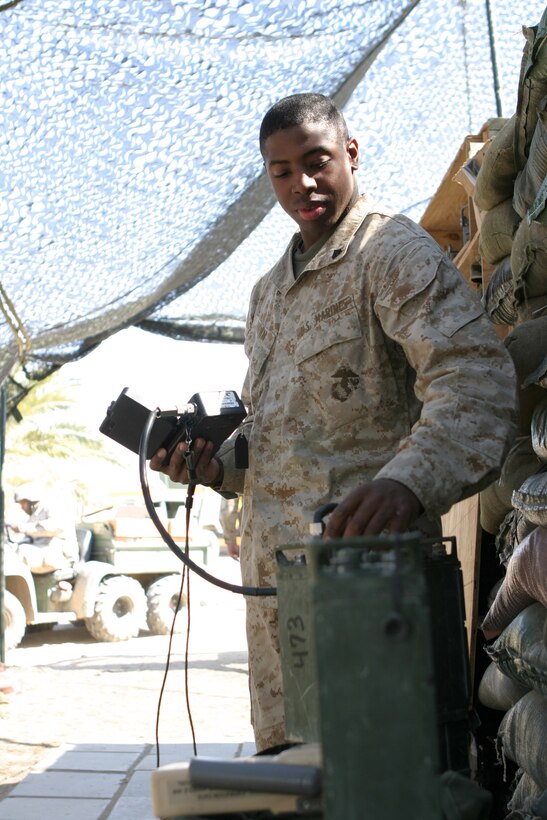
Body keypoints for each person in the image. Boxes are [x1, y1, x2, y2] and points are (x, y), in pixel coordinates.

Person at [151, 93, 518, 751]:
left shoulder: (389, 252)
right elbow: (272, 435)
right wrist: (214, 466)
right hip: (277, 611)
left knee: (384, 784)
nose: (303, 183)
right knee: (300, 780)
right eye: (282, 171)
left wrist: (405, 482)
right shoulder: (269, 293)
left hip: (369, 595)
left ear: (350, 153)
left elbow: (475, 381)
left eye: (316, 161)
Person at [8, 483, 79, 573]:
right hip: (45, 552)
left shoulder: (54, 506)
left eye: (23, 503)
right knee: (11, 550)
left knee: (21, 552)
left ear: (31, 501)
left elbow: (54, 527)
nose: (22, 507)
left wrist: (23, 528)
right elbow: (31, 537)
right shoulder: (34, 515)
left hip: (60, 555)